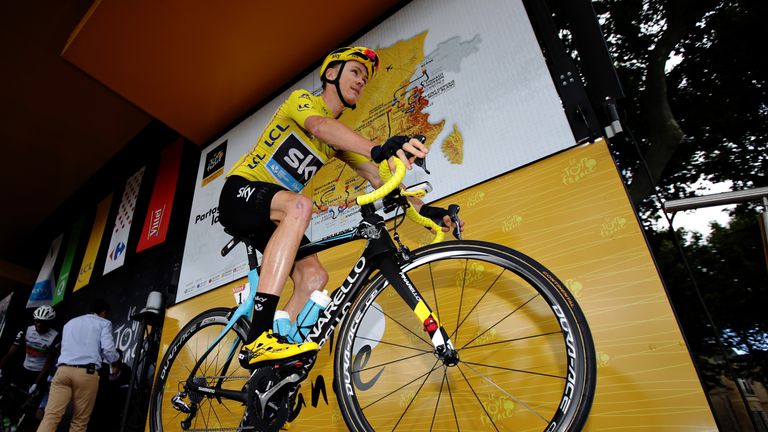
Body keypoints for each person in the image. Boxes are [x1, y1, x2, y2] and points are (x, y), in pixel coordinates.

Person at [218, 46, 463, 369]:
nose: (362, 80)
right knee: (300, 206)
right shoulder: (303, 102)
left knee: (315, 277)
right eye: (356, 72)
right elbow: (320, 126)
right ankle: (259, 338)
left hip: (273, 212)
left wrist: (426, 210)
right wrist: (378, 148)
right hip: (240, 194)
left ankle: (272, 363)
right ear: (331, 74)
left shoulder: (336, 140)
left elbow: (377, 176)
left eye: (366, 77)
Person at [37, 299, 120, 432]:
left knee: (50, 417)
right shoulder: (104, 323)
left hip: (62, 371)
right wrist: (116, 362)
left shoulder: (70, 323)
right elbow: (109, 350)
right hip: (86, 374)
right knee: (79, 422)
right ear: (103, 312)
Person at [0, 305, 60, 394]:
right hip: (24, 368)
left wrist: (36, 383)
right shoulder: (27, 330)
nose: (38, 324)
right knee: (8, 392)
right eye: (37, 321)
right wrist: (0, 367)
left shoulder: (55, 336)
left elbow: (49, 363)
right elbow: (11, 353)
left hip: (39, 373)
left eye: (42, 322)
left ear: (49, 323)